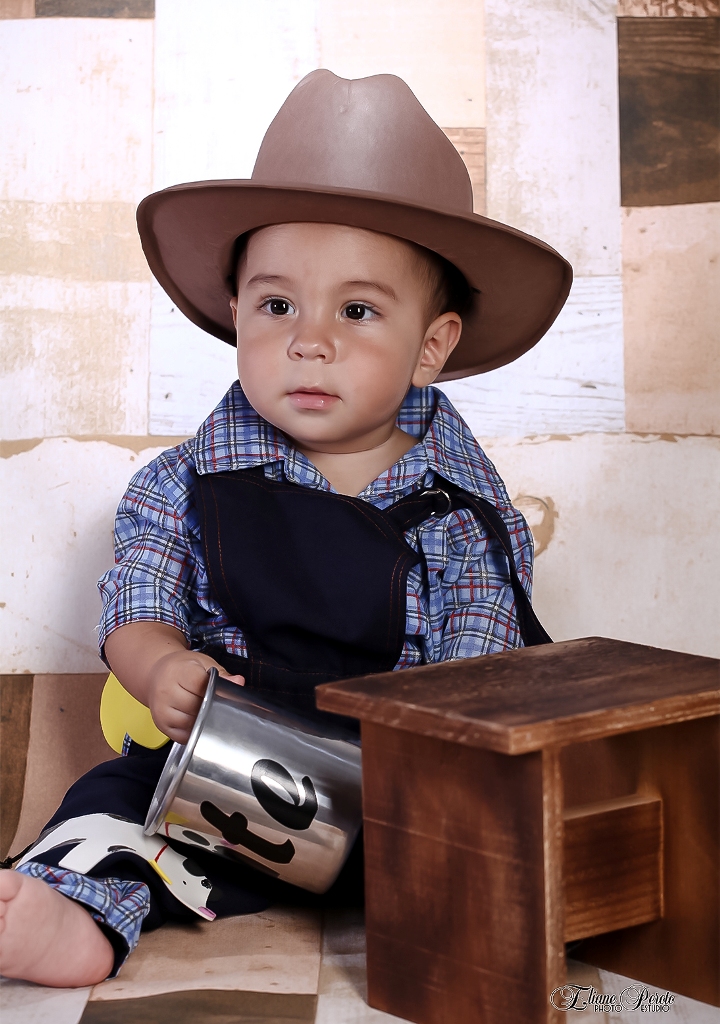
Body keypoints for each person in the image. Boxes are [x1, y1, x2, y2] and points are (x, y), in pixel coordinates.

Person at [0, 70, 570, 988]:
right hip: (215, 781)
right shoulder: (183, 483)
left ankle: (445, 918)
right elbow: (136, 600)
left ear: (431, 345)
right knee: (114, 801)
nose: (310, 340)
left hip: (392, 783)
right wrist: (161, 667)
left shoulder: (466, 517)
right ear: (235, 314)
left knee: (493, 835)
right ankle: (70, 918)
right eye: (277, 306)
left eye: (357, 311)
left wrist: (432, 788)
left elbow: (477, 679)